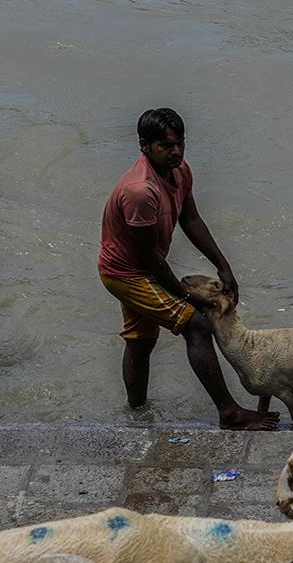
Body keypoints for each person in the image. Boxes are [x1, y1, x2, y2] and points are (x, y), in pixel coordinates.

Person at [97, 108, 276, 430]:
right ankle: (229, 412)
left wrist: (223, 266)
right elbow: (149, 256)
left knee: (140, 340)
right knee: (197, 326)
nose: (175, 152)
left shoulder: (179, 172)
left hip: (143, 267)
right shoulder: (141, 191)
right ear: (144, 146)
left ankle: (136, 413)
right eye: (165, 146)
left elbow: (190, 219)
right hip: (127, 273)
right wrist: (187, 296)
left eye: (180, 144)